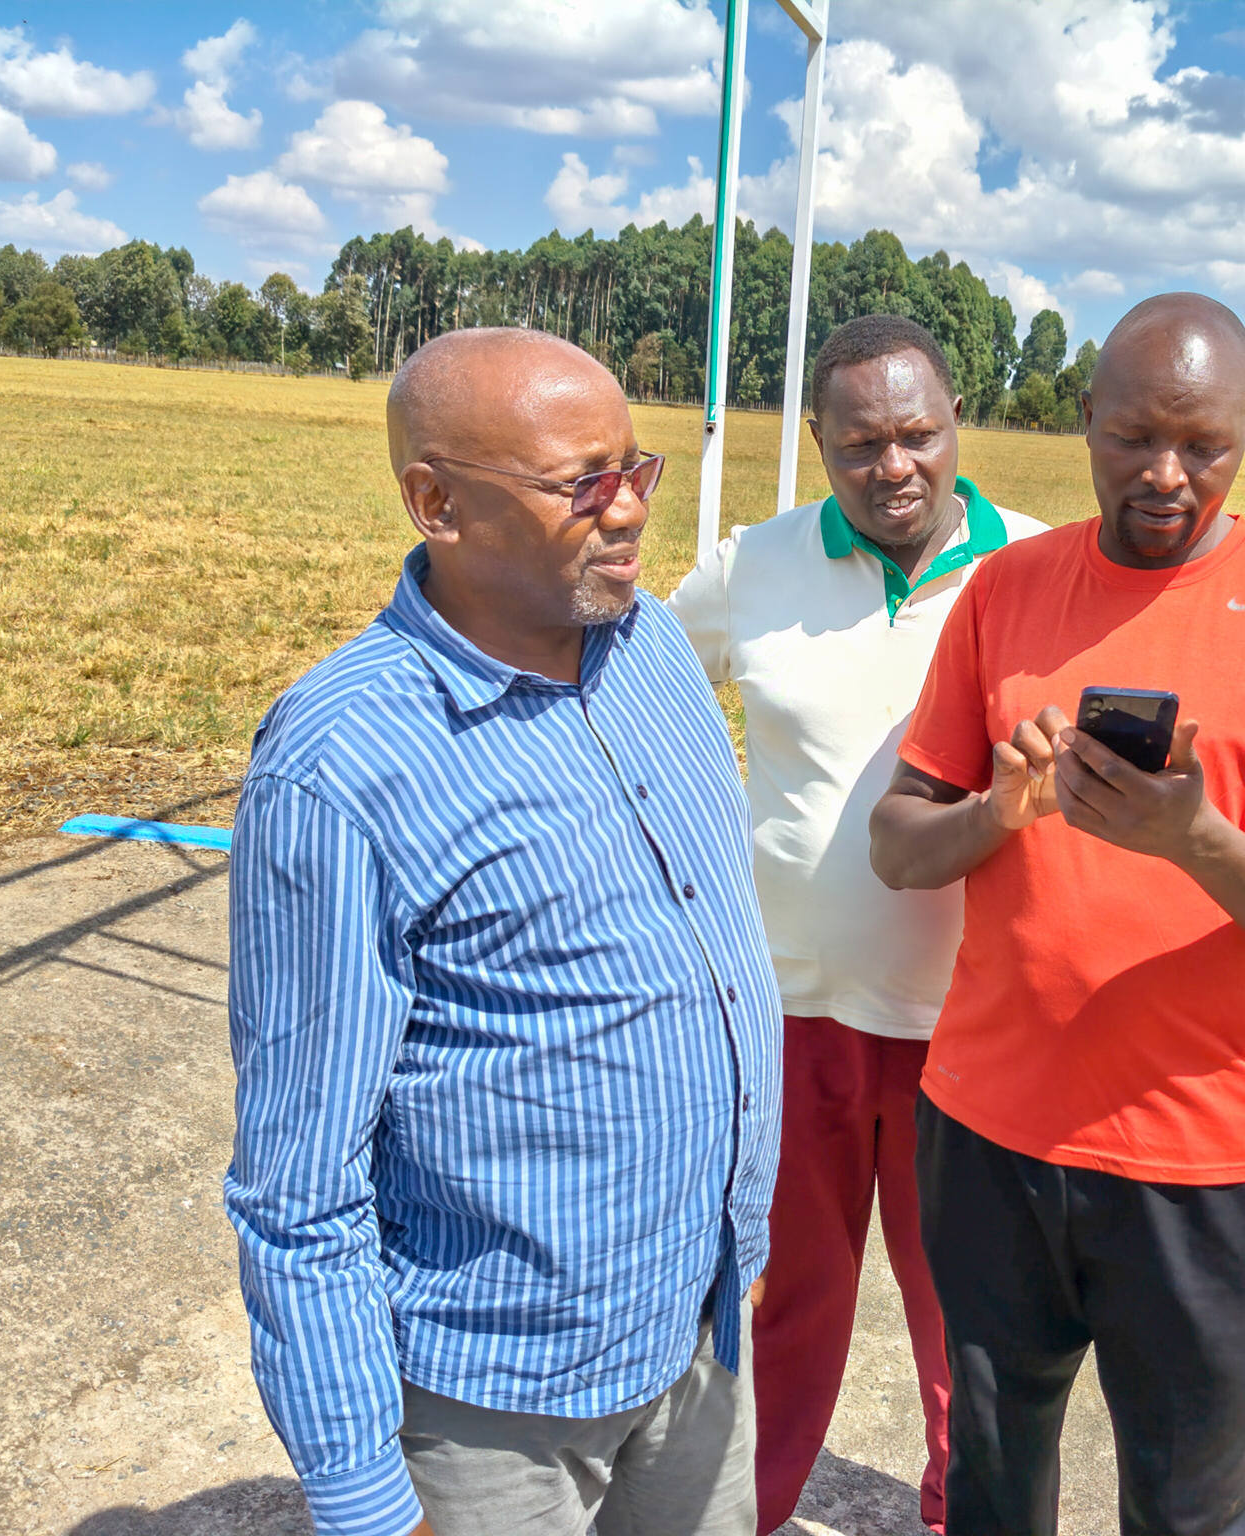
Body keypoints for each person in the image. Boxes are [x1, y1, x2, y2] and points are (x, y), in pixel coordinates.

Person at [223, 327, 780, 1536]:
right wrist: (369, 1502)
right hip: (495, 1405)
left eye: (639, 469)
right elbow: (297, 1184)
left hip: (702, 1329)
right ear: (436, 502)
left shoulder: (657, 653)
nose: (628, 510)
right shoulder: (342, 765)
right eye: (584, 483)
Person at [869, 292, 1245, 1536]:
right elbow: (897, 845)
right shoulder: (1006, 588)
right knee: (994, 1487)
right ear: (1083, 422)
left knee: (1187, 1509)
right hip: (987, 1140)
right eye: (1131, 438)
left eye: (1205, 446)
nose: (1166, 475)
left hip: (1197, 1163)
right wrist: (995, 815)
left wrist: (1194, 838)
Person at [668, 313, 1045, 1535]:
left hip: (973, 1030)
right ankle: (751, 1513)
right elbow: (635, 688)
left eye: (918, 435)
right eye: (860, 444)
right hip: (791, 1018)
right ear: (820, 445)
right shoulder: (753, 567)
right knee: (782, 1308)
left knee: (972, 1324)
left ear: (956, 423)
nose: (894, 467)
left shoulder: (1037, 572)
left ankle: (964, 1514)